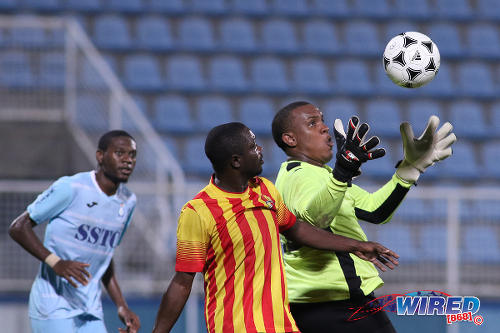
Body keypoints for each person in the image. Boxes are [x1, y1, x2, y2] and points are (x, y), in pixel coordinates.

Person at [152, 122, 400, 333]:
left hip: (282, 325)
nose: (260, 150)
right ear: (236, 161)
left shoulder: (265, 190)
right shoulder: (199, 211)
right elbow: (183, 280)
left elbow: (297, 229)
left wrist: (356, 245)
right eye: (252, 146)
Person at [271, 101, 457, 333]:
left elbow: (374, 210)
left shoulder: (321, 176)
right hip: (332, 302)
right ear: (290, 139)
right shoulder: (298, 175)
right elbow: (313, 222)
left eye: (322, 120)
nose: (324, 128)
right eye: (312, 123)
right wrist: (342, 173)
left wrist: (409, 170)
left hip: (329, 300)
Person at [8, 130, 141, 333]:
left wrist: (121, 305)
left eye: (132, 155)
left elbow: (104, 255)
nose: (127, 161)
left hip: (90, 307)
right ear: (100, 156)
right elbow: (18, 227)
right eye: (119, 153)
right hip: (53, 303)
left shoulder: (128, 202)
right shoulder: (71, 187)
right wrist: (56, 263)